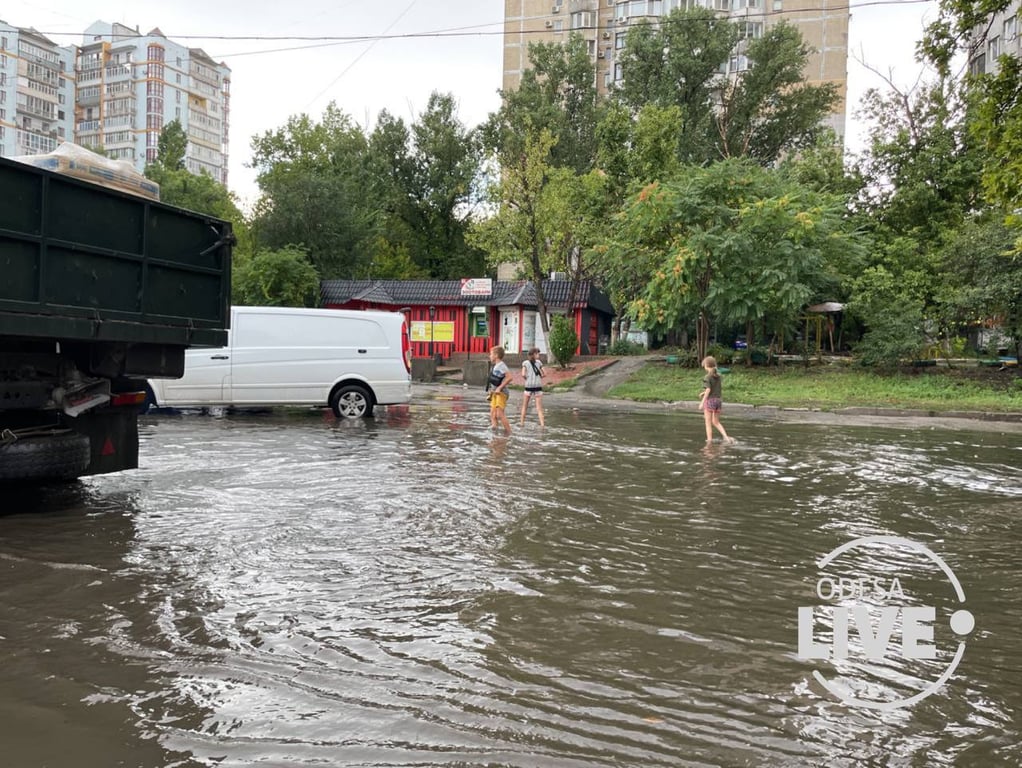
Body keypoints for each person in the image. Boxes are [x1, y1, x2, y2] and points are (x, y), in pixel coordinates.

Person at [699, 355, 734, 444]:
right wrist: (703, 393)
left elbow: (708, 389)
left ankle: (709, 442)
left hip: (710, 401)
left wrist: (702, 402)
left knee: (708, 423)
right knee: (716, 422)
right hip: (718, 401)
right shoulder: (718, 376)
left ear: (706, 365)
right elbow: (715, 388)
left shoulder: (707, 377)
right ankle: (726, 437)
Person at [487, 345, 512, 434]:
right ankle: (495, 432)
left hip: (501, 393)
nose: (490, 356)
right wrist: (492, 389)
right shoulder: (495, 366)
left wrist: (500, 388)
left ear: (496, 355)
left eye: (491, 354)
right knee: (493, 414)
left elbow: (509, 377)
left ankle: (509, 433)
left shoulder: (501, 365)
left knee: (499, 414)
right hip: (495, 393)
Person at [519, 347, 546, 427]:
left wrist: (527, 379)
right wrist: (540, 377)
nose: (539, 355)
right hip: (538, 386)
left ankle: (522, 423)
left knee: (525, 406)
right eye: (538, 353)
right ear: (534, 354)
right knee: (539, 408)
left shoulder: (525, 363)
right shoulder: (539, 363)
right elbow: (545, 374)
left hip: (528, 386)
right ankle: (542, 425)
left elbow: (523, 374)